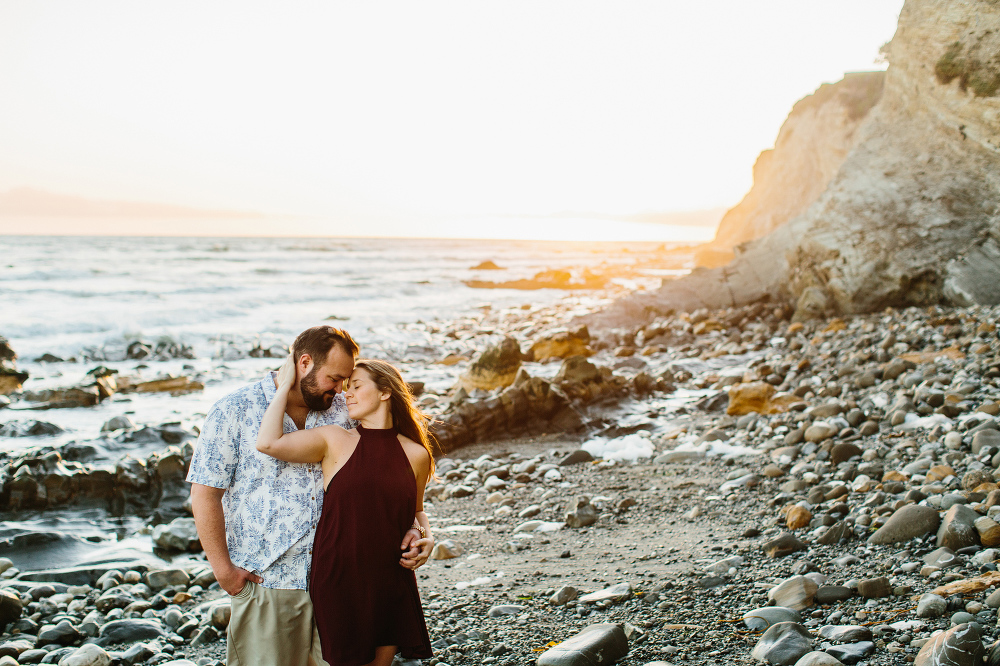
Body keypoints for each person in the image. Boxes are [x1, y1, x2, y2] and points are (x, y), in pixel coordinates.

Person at [186, 326, 432, 666]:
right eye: (335, 378)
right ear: (304, 362)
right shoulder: (234, 410)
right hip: (271, 579)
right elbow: (204, 494)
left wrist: (418, 532)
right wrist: (224, 571)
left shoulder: (344, 410)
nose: (342, 389)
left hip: (342, 583)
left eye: (348, 381)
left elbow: (388, 487)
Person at [256, 356, 434, 666]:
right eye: (346, 387)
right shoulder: (335, 439)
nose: (345, 394)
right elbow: (269, 443)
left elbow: (416, 511)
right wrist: (284, 386)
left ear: (385, 392)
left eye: (356, 386)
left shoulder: (416, 454)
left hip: (390, 577)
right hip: (338, 578)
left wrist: (424, 535)